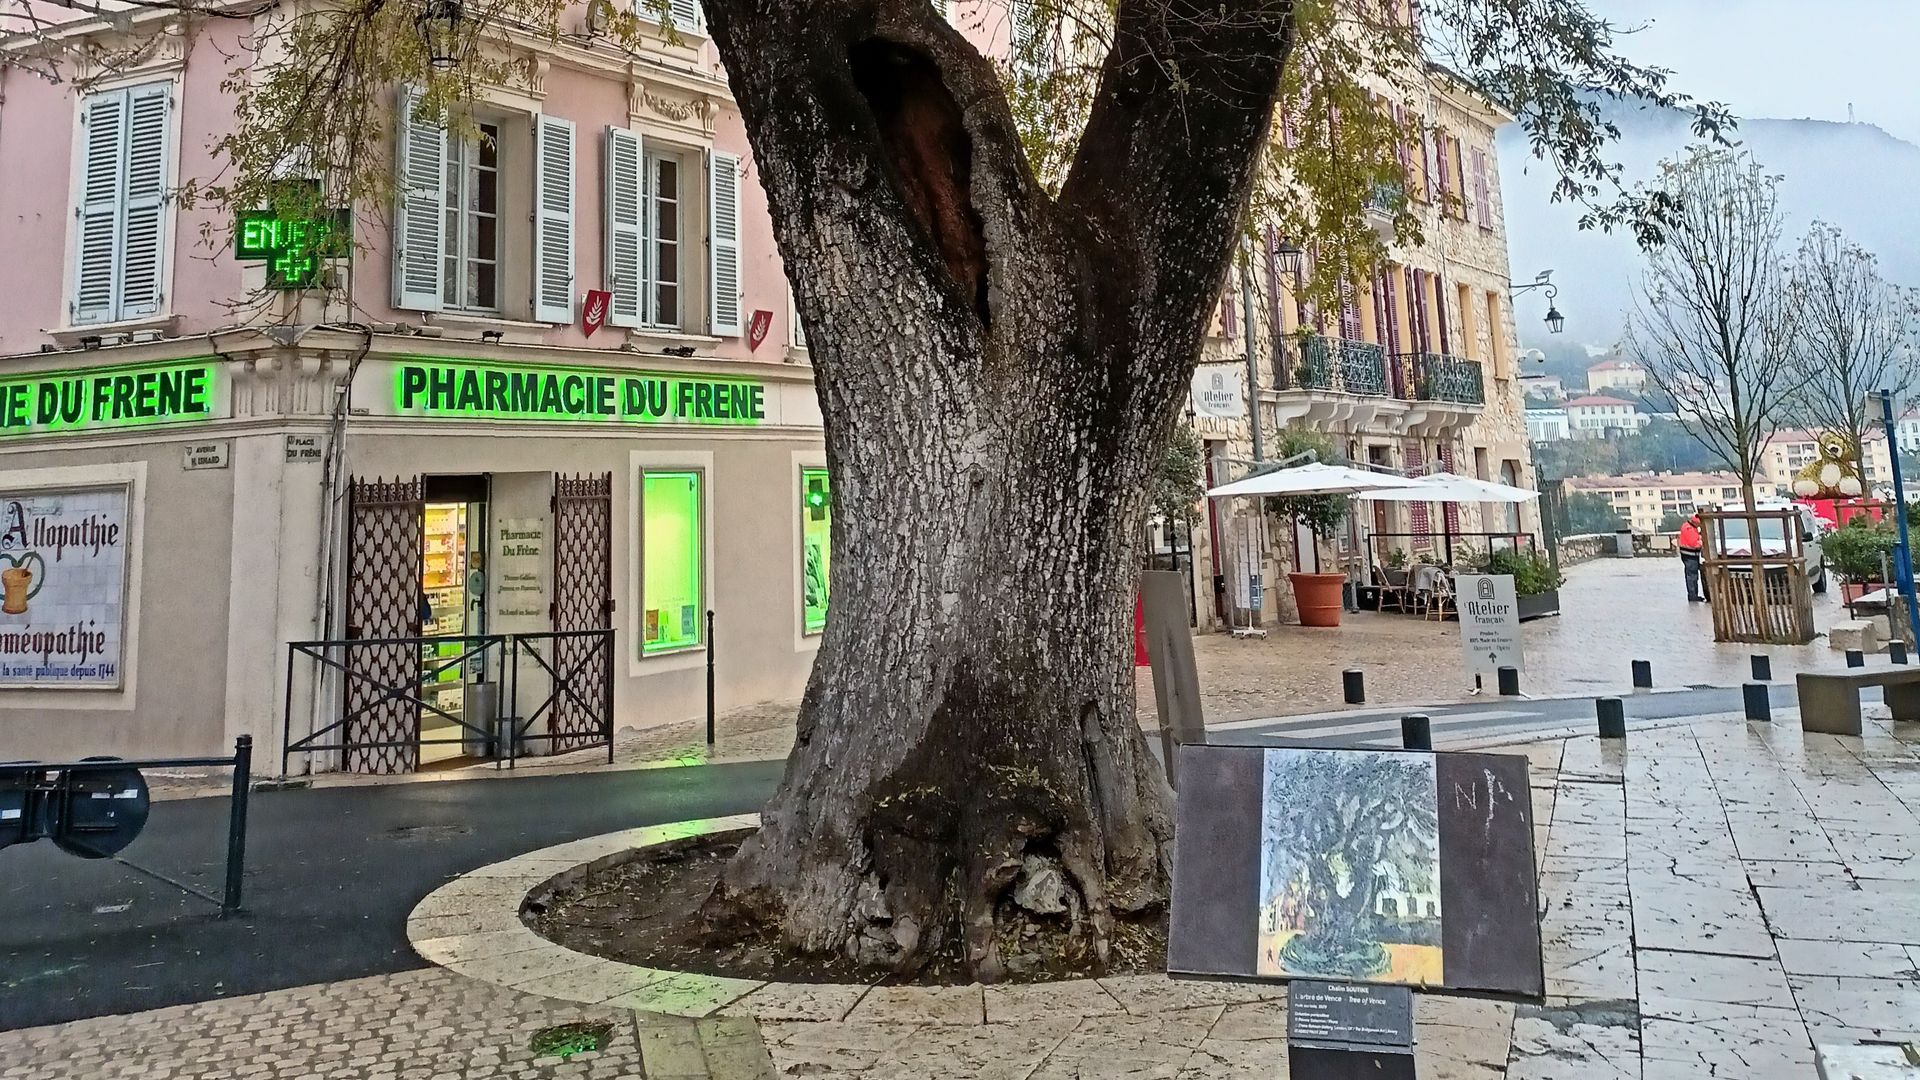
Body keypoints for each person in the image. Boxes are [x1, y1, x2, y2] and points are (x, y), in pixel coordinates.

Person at [1678, 512, 1708, 602]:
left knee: (1692, 576)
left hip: (1690, 555)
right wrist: (1703, 542)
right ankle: (1693, 596)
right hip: (1690, 556)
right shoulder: (1689, 529)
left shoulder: (1689, 527)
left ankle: (1693, 594)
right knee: (1692, 576)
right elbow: (1694, 543)